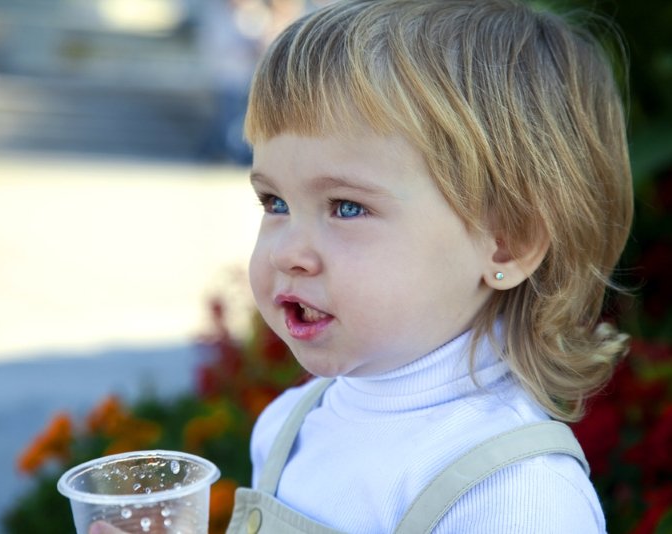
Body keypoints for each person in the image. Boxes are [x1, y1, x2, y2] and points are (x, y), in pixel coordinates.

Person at [225, 0, 633, 532]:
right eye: (274, 202)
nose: (285, 253)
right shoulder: (289, 426)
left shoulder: (516, 496)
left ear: (506, 244)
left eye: (347, 207)